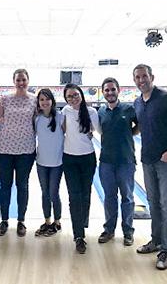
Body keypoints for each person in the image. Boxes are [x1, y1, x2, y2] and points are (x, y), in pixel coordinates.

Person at [132, 64, 167, 270]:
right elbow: (139, 126)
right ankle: (155, 241)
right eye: (137, 77)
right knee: (153, 202)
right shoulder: (138, 102)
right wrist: (122, 132)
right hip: (147, 160)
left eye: (144, 76)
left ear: (151, 77)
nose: (141, 80)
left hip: (166, 161)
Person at [0, 68, 37, 237]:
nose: (21, 83)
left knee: (22, 186)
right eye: (18, 80)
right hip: (4, 149)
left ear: (28, 81)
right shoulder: (4, 99)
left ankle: (21, 221)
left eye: (23, 79)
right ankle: (4, 220)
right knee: (5, 186)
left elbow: (41, 121)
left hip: (26, 150)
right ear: (14, 81)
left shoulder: (34, 100)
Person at [97, 77, 138, 247]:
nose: (110, 92)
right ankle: (109, 230)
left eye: (112, 89)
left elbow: (139, 125)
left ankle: (128, 232)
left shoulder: (129, 109)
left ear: (118, 90)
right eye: (106, 90)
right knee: (109, 197)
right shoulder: (100, 111)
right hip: (106, 161)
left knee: (127, 197)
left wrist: (130, 134)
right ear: (103, 92)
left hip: (126, 161)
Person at [61, 83, 99, 254]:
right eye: (69, 96)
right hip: (69, 159)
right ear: (66, 99)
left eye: (75, 94)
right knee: (74, 196)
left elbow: (99, 131)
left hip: (88, 158)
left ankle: (82, 222)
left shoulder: (92, 112)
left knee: (86, 194)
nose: (73, 98)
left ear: (81, 95)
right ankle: (79, 236)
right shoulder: (65, 112)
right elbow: (61, 132)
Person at [34, 88, 64, 237]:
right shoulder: (37, 118)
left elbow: (71, 133)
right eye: (41, 100)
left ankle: (57, 222)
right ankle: (47, 222)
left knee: (53, 192)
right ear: (38, 103)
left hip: (57, 163)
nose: (44, 102)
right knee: (45, 193)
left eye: (47, 99)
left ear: (52, 101)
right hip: (41, 162)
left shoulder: (60, 117)